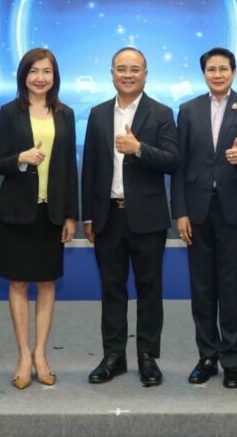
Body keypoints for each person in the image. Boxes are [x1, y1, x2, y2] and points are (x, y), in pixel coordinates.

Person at [82, 46, 179, 387]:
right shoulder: (97, 114)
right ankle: (114, 356)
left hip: (148, 218)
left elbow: (172, 161)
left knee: (149, 289)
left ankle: (148, 357)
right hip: (108, 216)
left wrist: (139, 149)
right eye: (121, 68)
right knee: (112, 289)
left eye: (134, 69)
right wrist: (88, 216)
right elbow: (90, 168)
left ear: (145, 74)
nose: (127, 74)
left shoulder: (161, 113)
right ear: (111, 73)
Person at [170, 47, 237, 389]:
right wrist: (180, 212)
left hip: (234, 210)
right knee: (202, 288)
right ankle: (206, 357)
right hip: (197, 211)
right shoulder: (188, 110)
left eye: (223, 69)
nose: (217, 74)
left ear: (234, 72)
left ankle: (231, 361)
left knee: (232, 287)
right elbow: (179, 166)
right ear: (204, 74)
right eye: (211, 69)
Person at [0, 48, 79, 389]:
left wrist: (71, 215)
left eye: (47, 71)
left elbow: (69, 169)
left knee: (47, 282)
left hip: (51, 212)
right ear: (23, 75)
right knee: (17, 283)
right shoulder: (9, 112)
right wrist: (22, 158)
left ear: (55, 77)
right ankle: (23, 355)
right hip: (17, 211)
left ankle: (41, 353)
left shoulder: (65, 114)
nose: (40, 78)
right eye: (34, 71)